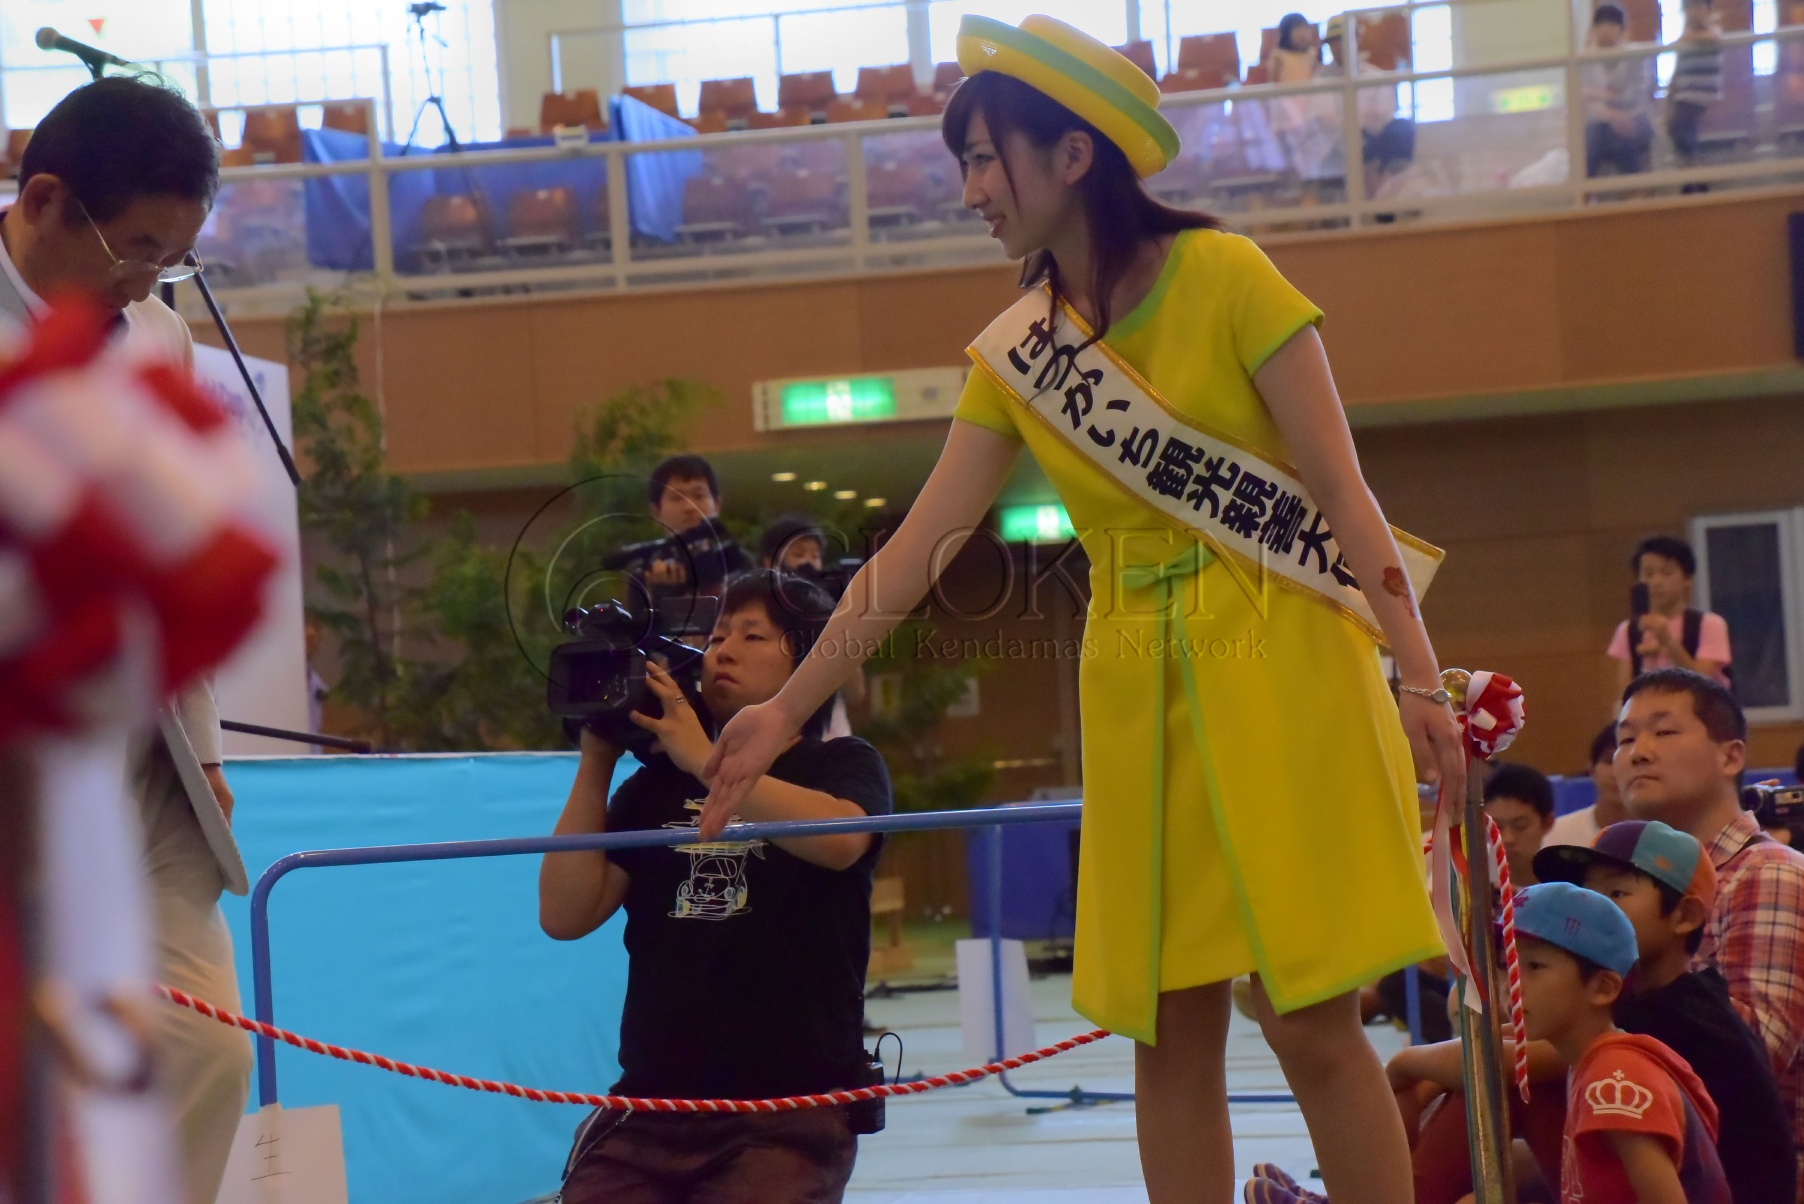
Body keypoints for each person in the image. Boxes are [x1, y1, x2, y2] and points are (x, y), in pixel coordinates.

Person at [700, 17, 1465, 1204]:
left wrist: (1417, 672)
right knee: (1166, 1028)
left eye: (982, 159)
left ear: (1071, 155)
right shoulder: (1021, 351)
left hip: (1287, 666)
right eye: (962, 163)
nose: (968, 190)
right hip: (1133, 682)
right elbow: (911, 553)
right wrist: (785, 712)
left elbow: (1339, 490)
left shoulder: (1228, 276)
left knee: (1310, 1014)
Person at [0, 76, 251, 1204]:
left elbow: (172, 553)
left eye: (174, 257)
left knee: (207, 1048)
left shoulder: (159, 337)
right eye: (135, 246)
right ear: (44, 201)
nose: (147, 279)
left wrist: (203, 741)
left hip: (144, 758)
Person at [540, 569, 892, 1203]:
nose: (724, 650)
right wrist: (597, 756)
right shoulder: (653, 787)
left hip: (788, 1111)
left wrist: (706, 761)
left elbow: (842, 842)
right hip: (651, 1105)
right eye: (718, 635)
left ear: (809, 666)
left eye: (752, 636)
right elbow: (566, 914)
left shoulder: (839, 763)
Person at [1282, 821, 1792, 1204]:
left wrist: (1406, 1066)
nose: (1596, 907)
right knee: (1495, 1086)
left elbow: (1502, 1062)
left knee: (1503, 1085)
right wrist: (1425, 1082)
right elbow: (1504, 1045)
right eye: (1589, 892)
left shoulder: (1668, 1017)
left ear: (1685, 916)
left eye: (1616, 892)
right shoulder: (1631, 1003)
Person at [1617, 668, 1804, 1185]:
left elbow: (1757, 1052)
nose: (1638, 753)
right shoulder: (1633, 887)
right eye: (1625, 739)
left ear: (1731, 757)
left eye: (1663, 731)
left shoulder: (1767, 872)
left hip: (1750, 1163)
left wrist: (1590, 1029)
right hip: (1664, 1130)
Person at [1515, 881, 1731, 1203]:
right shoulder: (1589, 1062)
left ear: (1603, 988)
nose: (1513, 984)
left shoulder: (1614, 1075)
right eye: (1508, 964)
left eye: (1534, 966)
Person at [758, 515, 866, 739]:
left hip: (831, 741)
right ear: (769, 563)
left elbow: (855, 692)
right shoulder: (755, 615)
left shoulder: (830, 613)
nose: (808, 564)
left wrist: (833, 623)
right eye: (798, 554)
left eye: (815, 556)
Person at [616, 454, 752, 614]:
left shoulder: (739, 562)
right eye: (676, 498)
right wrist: (661, 601)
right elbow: (640, 628)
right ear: (656, 512)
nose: (689, 507)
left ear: (717, 505)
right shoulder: (647, 572)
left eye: (699, 495)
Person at [1608, 536, 1730, 693]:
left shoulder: (1709, 624)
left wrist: (1667, 640)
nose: (1656, 582)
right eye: (1648, 574)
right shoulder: (1628, 630)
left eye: (1666, 573)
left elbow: (1704, 683)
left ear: (1687, 579)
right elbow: (1626, 692)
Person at [1319, 13, 1416, 188]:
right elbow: (1324, 118)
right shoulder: (1319, 81)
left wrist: (1363, 128)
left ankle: (1389, 184)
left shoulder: (1376, 77)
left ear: (1357, 38)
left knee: (1402, 129)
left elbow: (1384, 115)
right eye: (1334, 41)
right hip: (1336, 147)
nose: (1339, 45)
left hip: (1372, 144)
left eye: (1343, 39)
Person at [1267, 14, 1344, 192]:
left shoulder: (1311, 55)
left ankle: (1314, 181)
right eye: (1297, 29)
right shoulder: (1279, 56)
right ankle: (1295, 183)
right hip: (1287, 107)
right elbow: (1275, 85)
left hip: (1309, 105)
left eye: (1305, 29)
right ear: (1287, 33)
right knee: (1294, 147)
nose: (1302, 34)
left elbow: (1316, 78)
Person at [1583, 5, 1655, 178]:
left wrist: (1600, 96)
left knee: (1625, 135)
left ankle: (1634, 186)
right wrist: (1611, 115)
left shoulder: (1635, 56)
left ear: (1622, 30)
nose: (1605, 30)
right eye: (1600, 24)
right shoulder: (1584, 59)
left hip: (1633, 117)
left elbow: (1636, 96)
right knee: (1594, 136)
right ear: (1594, 29)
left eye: (1612, 24)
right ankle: (1589, 188)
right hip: (1598, 121)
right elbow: (1583, 99)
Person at [1546, 724, 1629, 849]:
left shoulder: (1657, 835)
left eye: (1629, 762)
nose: (1616, 773)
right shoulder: (1557, 834)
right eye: (1609, 761)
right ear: (1591, 770)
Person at [1666, 0, 1723, 181]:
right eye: (1689, 8)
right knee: (1674, 125)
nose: (1693, 12)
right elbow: (1677, 73)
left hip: (1703, 94)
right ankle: (1693, 172)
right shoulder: (1685, 39)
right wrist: (1668, 101)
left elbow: (1714, 37)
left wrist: (1687, 39)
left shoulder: (1712, 32)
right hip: (1684, 96)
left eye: (1698, 7)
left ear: (1708, 10)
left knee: (1680, 123)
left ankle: (1696, 170)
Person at [1486, 762, 1557, 888]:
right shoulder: (1468, 884)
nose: (1507, 839)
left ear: (1547, 823)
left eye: (1520, 826)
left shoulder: (1567, 886)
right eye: (1496, 827)